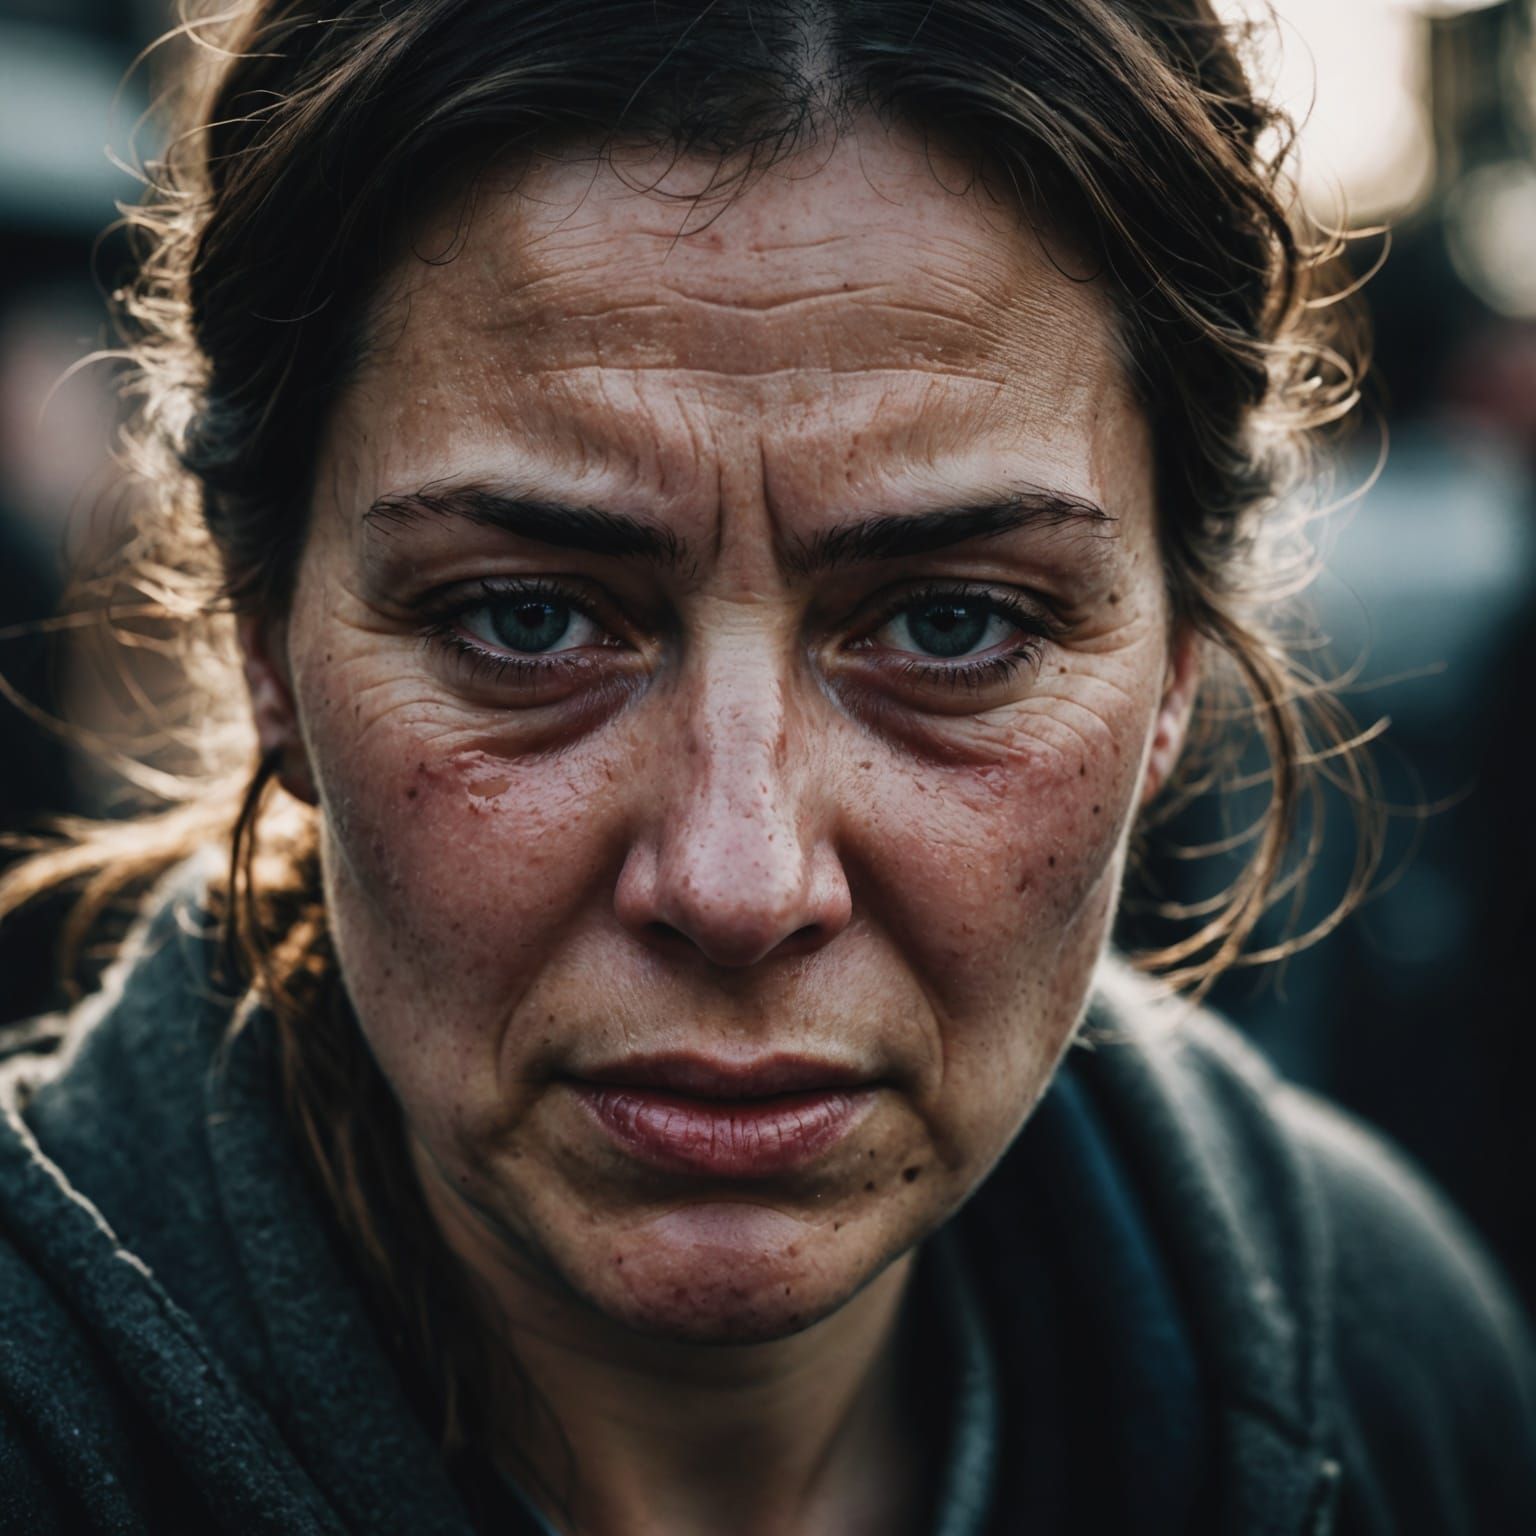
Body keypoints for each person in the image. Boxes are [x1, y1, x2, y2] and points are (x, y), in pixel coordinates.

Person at [0, 3, 1530, 1533]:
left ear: (1179, 661)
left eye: (952, 626)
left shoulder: (1387, 1385)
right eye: (525, 620)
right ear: (266, 637)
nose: (739, 884)